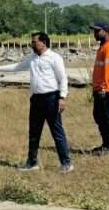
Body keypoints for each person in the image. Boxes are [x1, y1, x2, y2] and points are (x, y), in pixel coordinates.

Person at [6, 33, 73, 173]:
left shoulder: (54, 58)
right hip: (36, 99)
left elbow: (63, 79)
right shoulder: (32, 59)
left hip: (51, 98)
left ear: (43, 42)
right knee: (34, 132)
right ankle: (32, 162)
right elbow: (16, 67)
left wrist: (62, 97)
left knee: (57, 132)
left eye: (34, 42)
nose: (32, 44)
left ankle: (66, 163)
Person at [89, 21, 109, 156]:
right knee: (98, 116)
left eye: (97, 31)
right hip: (100, 88)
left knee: (106, 117)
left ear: (106, 31)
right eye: (94, 31)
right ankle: (105, 144)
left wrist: (103, 88)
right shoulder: (103, 47)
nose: (95, 33)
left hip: (106, 89)